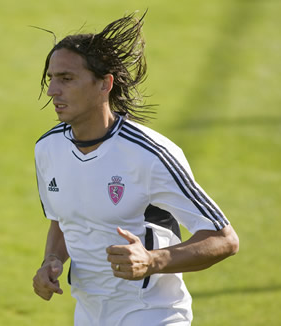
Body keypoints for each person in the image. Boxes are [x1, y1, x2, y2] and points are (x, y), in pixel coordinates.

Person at [32, 12, 239, 326]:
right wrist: (51, 260)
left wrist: (153, 261)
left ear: (104, 84)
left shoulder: (149, 154)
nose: (52, 91)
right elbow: (62, 221)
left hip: (152, 313)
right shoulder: (48, 149)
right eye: (51, 79)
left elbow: (224, 239)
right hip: (88, 314)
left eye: (67, 78)